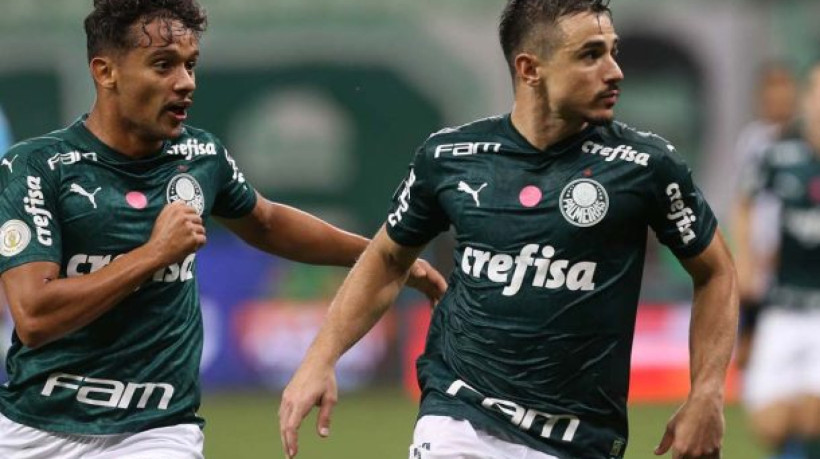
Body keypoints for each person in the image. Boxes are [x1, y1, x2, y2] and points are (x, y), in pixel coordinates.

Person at [279, 1, 739, 458]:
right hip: (459, 419)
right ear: (529, 69)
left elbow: (716, 271)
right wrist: (319, 359)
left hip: (581, 439)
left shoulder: (646, 166)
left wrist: (706, 392)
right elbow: (386, 257)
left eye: (612, 52)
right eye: (590, 55)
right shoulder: (450, 158)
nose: (614, 71)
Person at [0, 1, 446, 458]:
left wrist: (384, 256)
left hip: (156, 431)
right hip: (34, 431)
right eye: (163, 65)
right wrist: (154, 254)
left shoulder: (200, 156)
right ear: (105, 71)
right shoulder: (37, 167)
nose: (185, 82)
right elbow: (34, 317)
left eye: (190, 65)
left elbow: (267, 222)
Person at [737, 63, 820, 459]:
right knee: (769, 423)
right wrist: (746, 258)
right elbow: (745, 200)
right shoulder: (778, 152)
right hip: (782, 303)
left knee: (812, 417)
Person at [731, 63, 798, 371]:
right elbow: (743, 201)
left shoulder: (805, 138)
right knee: (750, 345)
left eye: (783, 89)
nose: (778, 97)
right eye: (771, 90)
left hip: (797, 253)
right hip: (760, 256)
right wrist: (745, 256)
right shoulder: (753, 140)